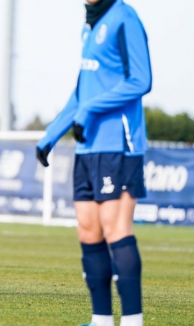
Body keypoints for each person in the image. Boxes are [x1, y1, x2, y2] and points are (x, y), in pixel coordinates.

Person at [36, 1, 151, 325]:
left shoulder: (124, 18)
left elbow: (141, 80)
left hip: (119, 144)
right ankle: (101, 320)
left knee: (116, 229)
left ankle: (132, 321)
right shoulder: (88, 25)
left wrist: (89, 111)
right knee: (88, 231)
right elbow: (82, 90)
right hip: (88, 148)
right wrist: (52, 133)